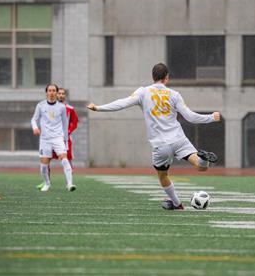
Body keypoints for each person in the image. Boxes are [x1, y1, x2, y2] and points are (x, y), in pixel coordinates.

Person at [87, 63, 220, 210]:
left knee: (163, 176)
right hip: (178, 138)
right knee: (201, 167)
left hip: (161, 145)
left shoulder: (143, 92)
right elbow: (190, 117)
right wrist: (211, 117)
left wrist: (98, 108)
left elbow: (122, 103)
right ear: (167, 78)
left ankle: (177, 204)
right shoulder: (174, 95)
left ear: (153, 77)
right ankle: (203, 159)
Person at [31, 84, 76, 192]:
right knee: (43, 166)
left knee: (65, 160)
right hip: (45, 139)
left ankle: (70, 184)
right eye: (49, 90)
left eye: (54, 91)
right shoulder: (40, 105)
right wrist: (35, 127)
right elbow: (34, 119)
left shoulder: (61, 107)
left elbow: (65, 124)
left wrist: (65, 140)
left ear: (56, 93)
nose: (51, 93)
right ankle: (47, 183)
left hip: (57, 138)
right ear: (46, 92)